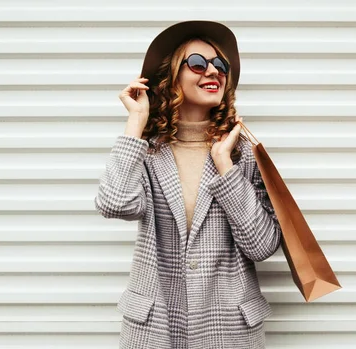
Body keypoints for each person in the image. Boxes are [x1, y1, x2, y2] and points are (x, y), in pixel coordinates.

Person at [94, 20, 282, 349]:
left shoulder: (243, 155)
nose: (213, 71)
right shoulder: (148, 153)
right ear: (173, 78)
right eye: (197, 63)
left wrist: (225, 166)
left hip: (228, 328)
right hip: (155, 325)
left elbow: (262, 246)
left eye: (219, 65)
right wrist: (136, 123)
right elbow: (114, 203)